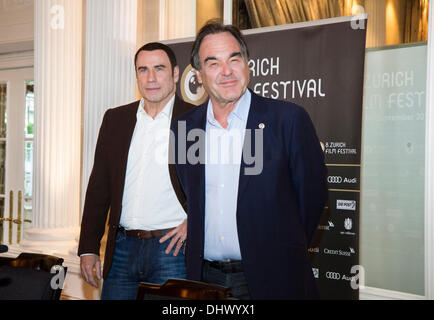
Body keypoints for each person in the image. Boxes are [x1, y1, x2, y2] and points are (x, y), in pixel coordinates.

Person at [171, 21, 328, 299]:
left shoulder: (287, 120)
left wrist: (279, 248)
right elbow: (186, 191)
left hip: (272, 278)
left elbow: (311, 201)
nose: (227, 71)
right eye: (213, 63)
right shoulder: (185, 128)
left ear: (247, 64)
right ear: (199, 75)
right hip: (205, 280)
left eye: (234, 58)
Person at [78, 42, 194, 300]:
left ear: (175, 74)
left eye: (159, 69)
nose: (151, 78)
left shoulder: (194, 119)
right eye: (143, 70)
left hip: (172, 251)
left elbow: (214, 185)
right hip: (120, 250)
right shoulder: (116, 120)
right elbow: (99, 189)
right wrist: (88, 248)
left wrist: (195, 220)